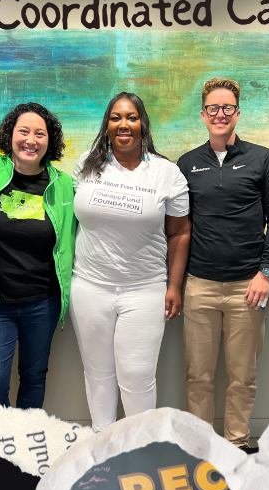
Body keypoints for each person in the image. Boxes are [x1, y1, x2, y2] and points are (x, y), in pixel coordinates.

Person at [177, 77, 269, 451]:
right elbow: (179, 227)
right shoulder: (188, 163)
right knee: (198, 376)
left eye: (227, 108)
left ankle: (237, 446)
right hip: (200, 285)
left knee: (243, 377)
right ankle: (200, 448)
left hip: (249, 287)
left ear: (237, 113)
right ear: (203, 115)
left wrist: (266, 273)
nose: (220, 114)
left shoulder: (263, 159)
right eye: (213, 108)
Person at [70, 92, 191, 430]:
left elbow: (180, 233)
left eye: (131, 117)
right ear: (107, 125)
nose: (123, 124)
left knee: (137, 375)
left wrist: (174, 285)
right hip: (89, 287)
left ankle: (140, 446)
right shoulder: (87, 164)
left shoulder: (166, 173)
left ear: (143, 124)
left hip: (145, 289)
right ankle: (102, 441)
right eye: (116, 117)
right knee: (97, 372)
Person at [0, 102, 75, 409]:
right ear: (10, 135)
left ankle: (26, 438)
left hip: (43, 302)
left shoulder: (64, 185)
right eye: (23, 131)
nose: (31, 140)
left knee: (33, 377)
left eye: (40, 134)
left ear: (50, 141)